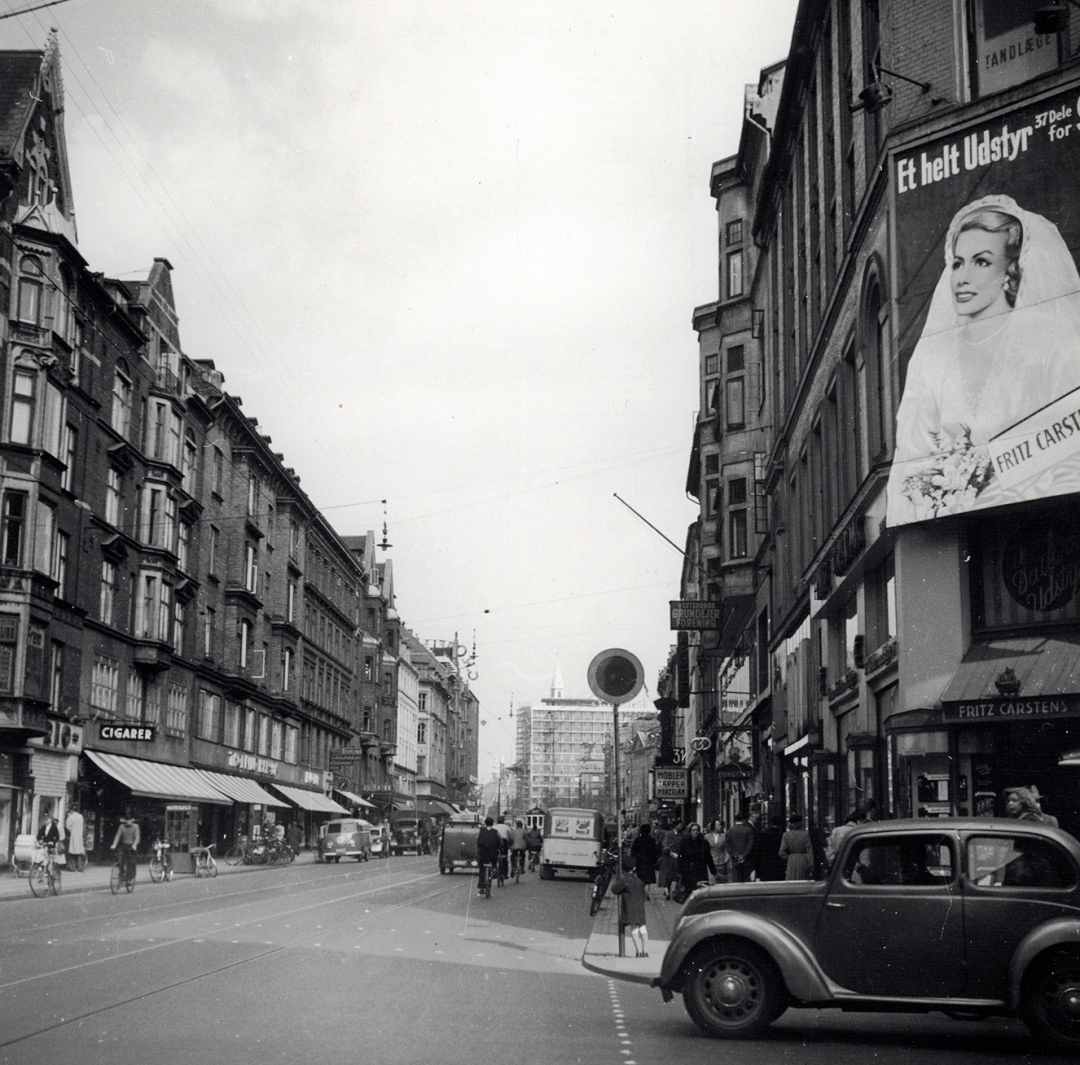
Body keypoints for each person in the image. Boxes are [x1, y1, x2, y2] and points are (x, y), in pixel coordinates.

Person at [887, 194, 1080, 525]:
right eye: (958, 263)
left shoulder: (1051, 341)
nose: (962, 277)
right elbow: (912, 455)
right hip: (955, 527)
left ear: (1011, 270)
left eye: (982, 262)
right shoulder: (932, 359)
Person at [610, 857, 649, 958]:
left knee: (634, 929)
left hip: (629, 908)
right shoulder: (639, 880)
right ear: (634, 868)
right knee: (643, 928)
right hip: (640, 908)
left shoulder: (624, 880)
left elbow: (614, 890)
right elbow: (645, 895)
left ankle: (638, 952)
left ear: (623, 869)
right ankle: (645, 951)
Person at [676, 823, 716, 897]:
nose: (695, 832)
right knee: (690, 892)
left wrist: (713, 870)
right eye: (693, 830)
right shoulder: (684, 842)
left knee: (701, 893)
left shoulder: (704, 842)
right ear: (690, 831)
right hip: (689, 871)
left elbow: (708, 857)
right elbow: (680, 857)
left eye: (697, 830)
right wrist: (680, 871)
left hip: (701, 870)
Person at [779, 813, 815, 880]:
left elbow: (781, 852)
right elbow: (809, 850)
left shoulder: (786, 835)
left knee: (791, 880)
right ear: (800, 823)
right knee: (802, 879)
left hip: (791, 860)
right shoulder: (805, 834)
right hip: (803, 859)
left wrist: (789, 857)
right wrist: (811, 864)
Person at [630, 822, 661, 899]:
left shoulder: (638, 840)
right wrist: (654, 861)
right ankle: (648, 892)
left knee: (641, 878)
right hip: (649, 862)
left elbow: (633, 851)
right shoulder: (652, 840)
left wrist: (636, 858)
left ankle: (642, 892)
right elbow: (655, 851)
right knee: (648, 879)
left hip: (640, 862)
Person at [753, 815, 786, 882]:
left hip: (765, 865)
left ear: (771, 823)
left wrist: (757, 868)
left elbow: (758, 852)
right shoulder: (783, 835)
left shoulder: (763, 835)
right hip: (779, 865)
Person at [725, 810, 756, 882]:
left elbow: (727, 845)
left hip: (735, 859)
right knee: (746, 879)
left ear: (735, 819)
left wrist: (735, 855)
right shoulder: (748, 830)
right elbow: (750, 845)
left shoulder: (730, 830)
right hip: (747, 859)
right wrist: (743, 855)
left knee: (736, 879)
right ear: (743, 819)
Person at [110, 811, 140, 883]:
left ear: (132, 820)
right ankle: (121, 875)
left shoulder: (136, 826)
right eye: (126, 820)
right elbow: (117, 836)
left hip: (132, 846)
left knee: (131, 862)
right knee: (120, 860)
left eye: (129, 820)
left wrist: (135, 844)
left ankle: (130, 877)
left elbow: (137, 837)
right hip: (124, 845)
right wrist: (114, 844)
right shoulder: (121, 827)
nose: (128, 822)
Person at [476, 817, 501, 895]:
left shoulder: (481, 831)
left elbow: (478, 841)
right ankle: (494, 870)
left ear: (485, 823)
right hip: (492, 854)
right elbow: (499, 842)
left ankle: (481, 887)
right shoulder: (495, 832)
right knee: (494, 863)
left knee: (481, 870)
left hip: (483, 854)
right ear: (492, 823)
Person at [657, 819, 682, 899]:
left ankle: (675, 892)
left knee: (677, 876)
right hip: (668, 858)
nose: (681, 826)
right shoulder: (668, 834)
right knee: (668, 877)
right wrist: (671, 852)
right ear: (676, 825)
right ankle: (667, 891)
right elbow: (664, 845)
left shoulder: (682, 834)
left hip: (678, 858)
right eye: (680, 825)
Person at [704, 819, 730, 884]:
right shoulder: (707, 837)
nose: (720, 826)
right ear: (714, 826)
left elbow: (727, 848)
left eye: (720, 825)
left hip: (722, 862)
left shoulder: (724, 836)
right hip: (711, 863)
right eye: (718, 825)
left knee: (722, 882)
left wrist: (726, 859)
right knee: (712, 882)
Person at [65, 805, 86, 872]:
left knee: (72, 853)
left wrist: (72, 830)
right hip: (79, 836)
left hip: (73, 836)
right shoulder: (81, 816)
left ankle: (72, 868)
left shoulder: (71, 817)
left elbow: (67, 826)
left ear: (71, 810)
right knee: (79, 852)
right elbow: (83, 826)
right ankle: (80, 868)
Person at [493, 815, 512, 884]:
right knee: (505, 859)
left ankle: (494, 871)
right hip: (504, 844)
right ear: (503, 821)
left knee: (494, 857)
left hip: (495, 844)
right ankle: (505, 874)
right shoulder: (507, 827)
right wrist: (510, 844)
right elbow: (510, 837)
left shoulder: (494, 827)